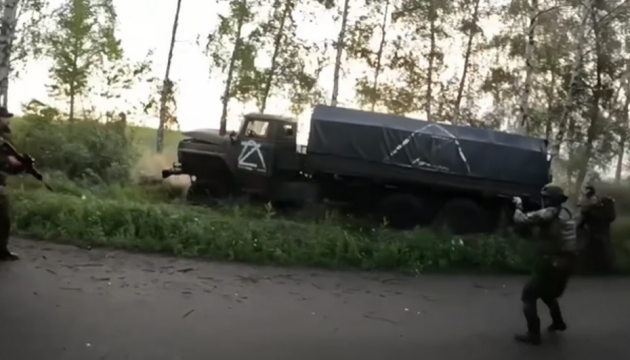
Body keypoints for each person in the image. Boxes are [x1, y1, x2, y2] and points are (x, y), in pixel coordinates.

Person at [512, 184, 577, 345]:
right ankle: (558, 322)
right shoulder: (566, 212)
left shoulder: (549, 213)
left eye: (545, 198)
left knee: (528, 295)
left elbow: (519, 220)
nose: (543, 200)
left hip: (550, 262)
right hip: (566, 263)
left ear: (549, 200)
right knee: (547, 293)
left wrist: (518, 205)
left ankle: (533, 334)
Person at [0, 106, 23, 261]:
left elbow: (8, 163)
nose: (8, 120)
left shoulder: (4, 136)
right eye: (5, 117)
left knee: (3, 219)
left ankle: (1, 251)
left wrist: (19, 165)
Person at [578, 185, 615, 274]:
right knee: (604, 250)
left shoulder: (591, 205)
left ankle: (590, 270)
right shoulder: (601, 204)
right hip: (604, 232)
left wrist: (580, 227)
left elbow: (584, 219)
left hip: (594, 232)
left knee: (591, 251)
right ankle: (607, 269)